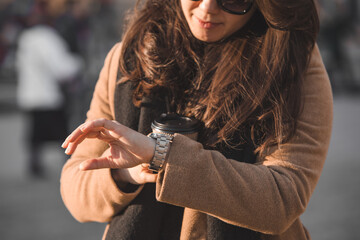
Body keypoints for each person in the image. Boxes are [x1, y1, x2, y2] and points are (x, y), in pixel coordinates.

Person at [60, 0, 333, 239]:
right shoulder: (128, 58)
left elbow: (283, 199)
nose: (207, 7)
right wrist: (125, 174)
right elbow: (76, 189)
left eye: (234, 0)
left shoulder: (293, 64)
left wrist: (162, 156)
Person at [16, 0, 83, 177]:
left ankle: (34, 164)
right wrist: (78, 64)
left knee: (35, 134)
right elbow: (61, 67)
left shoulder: (26, 37)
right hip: (47, 95)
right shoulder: (47, 37)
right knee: (60, 132)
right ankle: (69, 162)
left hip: (31, 94)